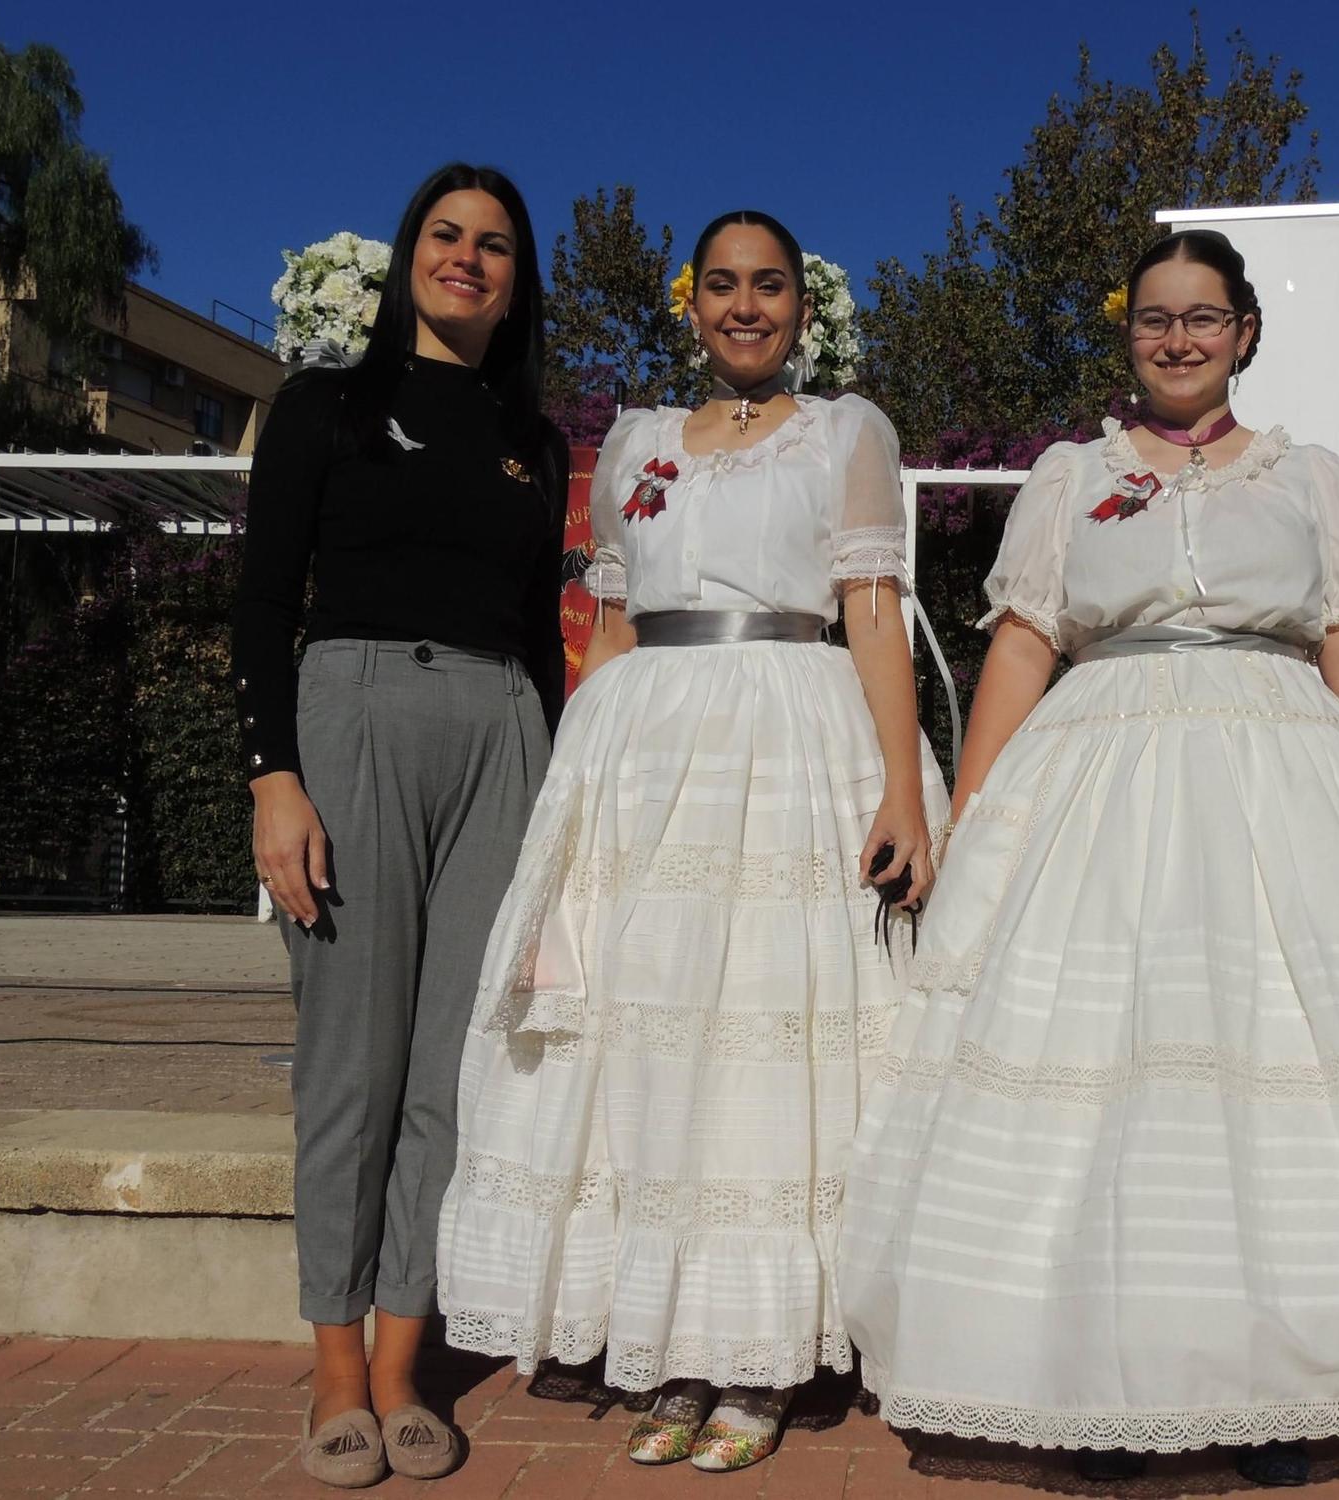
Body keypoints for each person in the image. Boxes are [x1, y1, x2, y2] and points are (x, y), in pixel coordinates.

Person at [839, 229, 1339, 1490]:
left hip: (1287, 775)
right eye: (1155, 318)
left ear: (1244, 334)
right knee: (1113, 1076)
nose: (1178, 338)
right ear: (1129, 337)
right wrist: (972, 809)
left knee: (1281, 1073)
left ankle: (1278, 1386)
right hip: (1101, 777)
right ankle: (1096, 1371)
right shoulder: (1065, 477)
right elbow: (1025, 647)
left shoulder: (1306, 477)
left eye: (1204, 317)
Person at [437, 210, 949, 1475]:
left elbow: (873, 619)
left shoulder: (848, 431)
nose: (743, 307)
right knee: (650, 1034)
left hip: (790, 743)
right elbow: (607, 632)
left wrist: (904, 792)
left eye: (766, 286)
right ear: (692, 305)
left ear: (799, 306)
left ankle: (761, 1357)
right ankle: (667, 1340)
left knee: (761, 1041)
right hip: (640, 756)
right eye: (720, 286)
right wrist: (570, 807)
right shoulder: (633, 443)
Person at [232, 162, 567, 1488]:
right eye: (447, 235)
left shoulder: (531, 445)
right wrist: (272, 777)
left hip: (500, 736)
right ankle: (330, 1362)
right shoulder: (324, 406)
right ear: (409, 256)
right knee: (351, 1068)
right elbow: (263, 602)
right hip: (353, 715)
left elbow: (543, 636)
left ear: (514, 277)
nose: (469, 259)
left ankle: (401, 1362)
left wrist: (549, 809)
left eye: (493, 245)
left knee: (451, 1077)